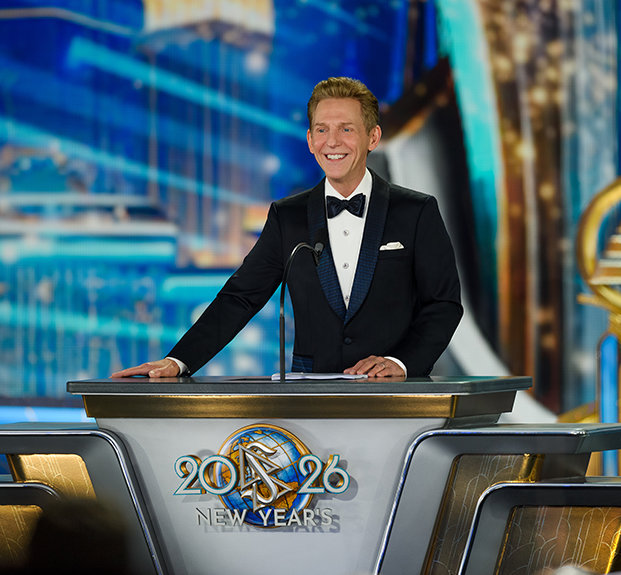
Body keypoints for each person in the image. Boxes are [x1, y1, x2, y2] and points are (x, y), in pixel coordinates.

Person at [111, 77, 462, 379]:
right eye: (322, 130)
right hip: (309, 397)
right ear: (310, 140)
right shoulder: (288, 216)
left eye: (346, 129)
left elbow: (443, 304)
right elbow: (240, 297)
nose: (332, 142)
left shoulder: (416, 211)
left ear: (373, 137)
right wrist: (178, 361)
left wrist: (401, 362)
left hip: (397, 396)